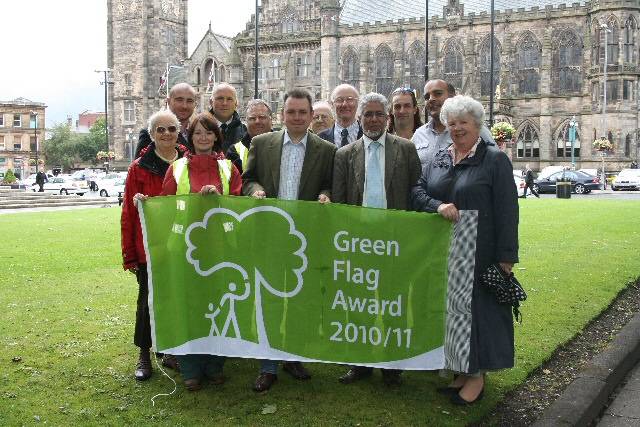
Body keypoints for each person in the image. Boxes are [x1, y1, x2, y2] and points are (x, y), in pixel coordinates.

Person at [411, 95, 519, 405]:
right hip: (445, 251)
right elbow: (418, 190)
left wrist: (506, 258)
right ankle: (460, 370)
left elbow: (508, 211)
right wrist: (438, 204)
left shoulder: (494, 159)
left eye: (464, 123)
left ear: (477, 125)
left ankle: (476, 379)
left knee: (477, 315)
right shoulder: (442, 157)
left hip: (480, 252)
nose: (457, 128)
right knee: (453, 314)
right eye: (452, 123)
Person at [242, 88, 337, 392]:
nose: (296, 117)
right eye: (291, 112)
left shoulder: (326, 150)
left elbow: (330, 185)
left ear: (311, 116)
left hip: (305, 239)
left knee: (299, 301)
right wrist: (254, 189)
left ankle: (293, 356)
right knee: (269, 301)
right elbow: (247, 178)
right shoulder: (261, 143)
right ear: (281, 115)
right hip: (270, 236)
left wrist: (326, 195)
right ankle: (268, 365)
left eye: (302, 112)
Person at [332, 92, 421, 387]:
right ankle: (360, 363)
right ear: (359, 119)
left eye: (378, 114)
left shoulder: (406, 150)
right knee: (359, 304)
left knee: (393, 302)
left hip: (394, 241)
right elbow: (341, 203)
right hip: (358, 242)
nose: (372, 119)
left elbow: (415, 194)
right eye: (367, 114)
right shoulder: (344, 154)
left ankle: (392, 364)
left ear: (388, 118)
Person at [161, 112, 242, 391]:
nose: (203, 138)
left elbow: (238, 207)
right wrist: (145, 203)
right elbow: (165, 206)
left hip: (221, 249)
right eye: (198, 133)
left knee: (219, 308)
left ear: (216, 137)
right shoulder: (177, 168)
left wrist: (220, 200)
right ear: (190, 137)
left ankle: (214, 364)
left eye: (209, 133)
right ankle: (190, 368)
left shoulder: (228, 168)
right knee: (188, 308)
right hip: (185, 247)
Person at [121, 110, 189, 381]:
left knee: (176, 299)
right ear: (151, 135)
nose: (166, 134)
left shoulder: (188, 161)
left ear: (178, 132)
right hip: (150, 246)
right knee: (147, 301)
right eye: (160, 130)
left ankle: (171, 350)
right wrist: (130, 255)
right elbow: (128, 212)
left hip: (182, 243)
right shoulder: (139, 167)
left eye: (171, 129)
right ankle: (144, 354)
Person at [412, 79, 494, 170]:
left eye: (438, 94)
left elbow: (495, 165)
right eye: (427, 97)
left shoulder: (475, 130)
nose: (431, 99)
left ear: (452, 97)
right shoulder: (419, 134)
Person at [135, 83, 196, 157]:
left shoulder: (200, 132)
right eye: (179, 100)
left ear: (195, 104)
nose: (184, 106)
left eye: (189, 101)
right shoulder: (151, 133)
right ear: (168, 102)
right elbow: (139, 166)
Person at [225, 99, 272, 174]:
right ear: (246, 122)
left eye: (262, 117)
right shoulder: (234, 152)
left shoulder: (283, 144)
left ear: (271, 120)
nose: (257, 121)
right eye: (252, 118)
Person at [208, 83, 247, 153]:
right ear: (211, 102)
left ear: (236, 104)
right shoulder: (199, 130)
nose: (224, 103)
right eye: (220, 98)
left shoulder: (246, 132)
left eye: (229, 99)